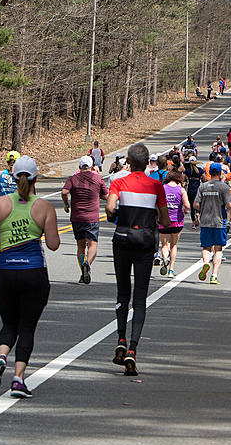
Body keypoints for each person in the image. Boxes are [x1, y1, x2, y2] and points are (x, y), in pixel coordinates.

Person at [0, 155, 60, 399]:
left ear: (13, 178)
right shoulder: (44, 207)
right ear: (36, 178)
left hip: (6, 272)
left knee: (9, 324)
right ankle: (17, 379)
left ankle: (1, 356)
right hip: (34, 272)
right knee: (27, 327)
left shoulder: (1, 203)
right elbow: (54, 244)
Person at [105, 144, 170, 376]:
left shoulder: (118, 182)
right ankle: (132, 349)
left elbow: (110, 207)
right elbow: (165, 218)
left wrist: (118, 213)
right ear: (147, 163)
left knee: (123, 292)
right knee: (140, 298)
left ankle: (120, 337)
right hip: (144, 242)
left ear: (129, 163)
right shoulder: (155, 186)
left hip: (122, 239)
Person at [61, 156, 107, 285]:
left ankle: (83, 272)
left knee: (80, 246)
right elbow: (106, 195)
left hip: (77, 217)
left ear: (80, 167)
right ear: (92, 166)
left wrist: (66, 204)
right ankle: (87, 264)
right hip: (92, 217)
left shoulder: (73, 179)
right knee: (92, 244)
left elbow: (64, 192)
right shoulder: (98, 178)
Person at [194, 162, 231, 283]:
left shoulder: (203, 186)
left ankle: (206, 262)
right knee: (218, 249)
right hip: (219, 221)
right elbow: (229, 205)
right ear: (220, 173)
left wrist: (203, 208)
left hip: (205, 220)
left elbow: (195, 204)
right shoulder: (224, 187)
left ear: (210, 173)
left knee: (206, 247)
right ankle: (214, 275)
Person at [159, 170, 189, 278]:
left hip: (163, 220)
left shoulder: (162, 188)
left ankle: (165, 257)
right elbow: (187, 205)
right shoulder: (181, 190)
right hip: (177, 221)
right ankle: (171, 270)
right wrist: (185, 210)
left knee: (164, 245)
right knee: (174, 245)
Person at [185, 156, 203, 224]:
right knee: (198, 203)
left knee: (192, 206)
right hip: (198, 189)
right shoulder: (200, 170)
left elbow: (183, 178)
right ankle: (198, 213)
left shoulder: (188, 170)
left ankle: (193, 222)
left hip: (190, 190)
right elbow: (204, 178)